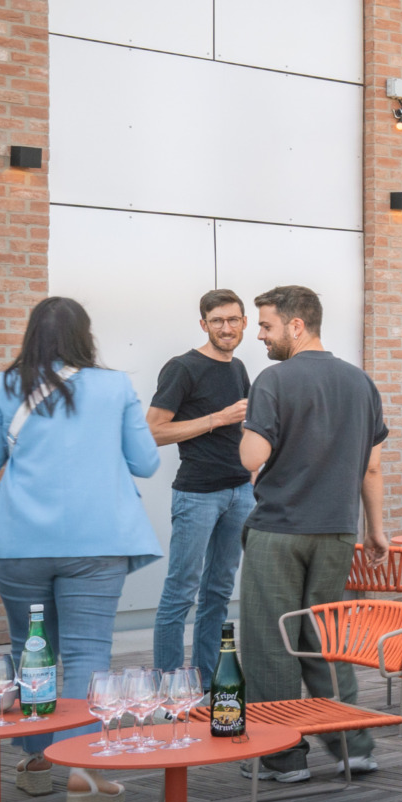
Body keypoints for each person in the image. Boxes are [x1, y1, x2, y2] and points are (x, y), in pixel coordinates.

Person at [0, 296, 160, 802]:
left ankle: (34, 765)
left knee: (30, 652)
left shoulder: (4, 385)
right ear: (85, 337)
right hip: (95, 545)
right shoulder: (114, 386)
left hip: (19, 545)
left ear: (31, 336)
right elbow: (145, 462)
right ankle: (81, 773)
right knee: (85, 656)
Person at [235, 285, 390, 782]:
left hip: (279, 531)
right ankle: (353, 746)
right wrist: (376, 531)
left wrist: (247, 434)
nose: (258, 335)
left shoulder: (274, 379)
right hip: (339, 532)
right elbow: (372, 469)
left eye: (266, 326)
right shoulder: (361, 382)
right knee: (326, 640)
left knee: (269, 643)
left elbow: (251, 458)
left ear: (296, 326)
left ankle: (283, 756)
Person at [146, 289, 255, 684]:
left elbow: (242, 431)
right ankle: (169, 687)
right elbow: (153, 431)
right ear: (203, 325)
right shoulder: (182, 368)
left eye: (233, 320)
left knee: (219, 594)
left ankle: (208, 682)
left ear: (244, 323)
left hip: (241, 493)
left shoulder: (239, 367)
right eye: (217, 321)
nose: (226, 328)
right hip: (197, 494)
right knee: (180, 593)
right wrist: (219, 417)